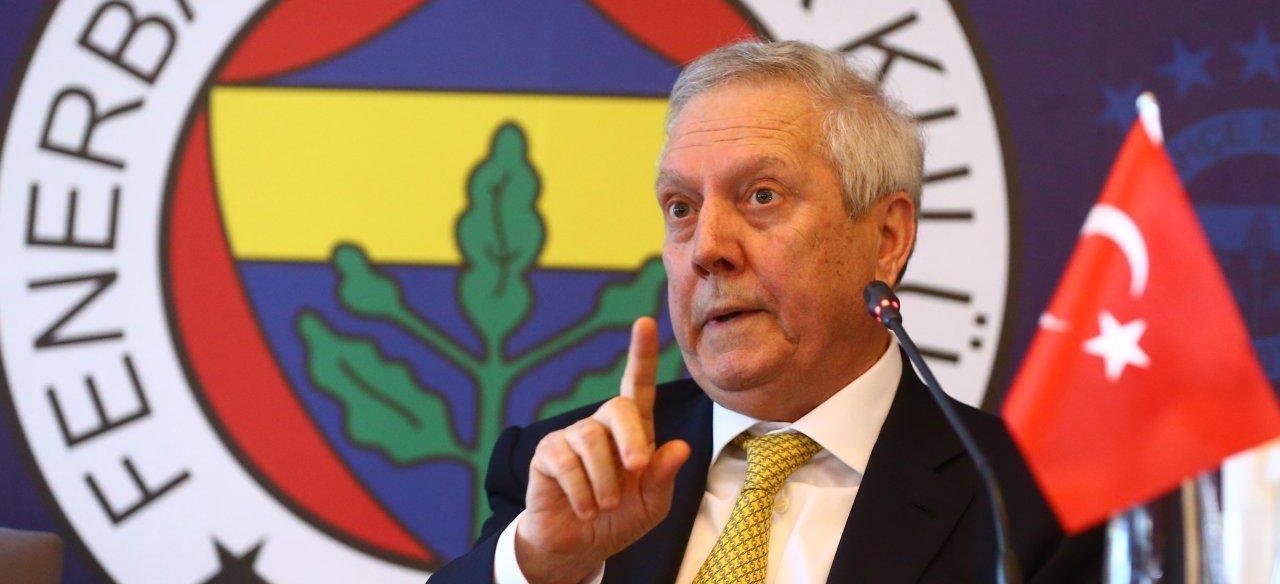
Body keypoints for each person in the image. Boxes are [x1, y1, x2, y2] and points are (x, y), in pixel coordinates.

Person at [431, 41, 1102, 583]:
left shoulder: (1032, 504)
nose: (707, 249)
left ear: (886, 238)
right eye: (681, 208)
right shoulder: (570, 478)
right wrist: (541, 567)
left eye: (761, 196)